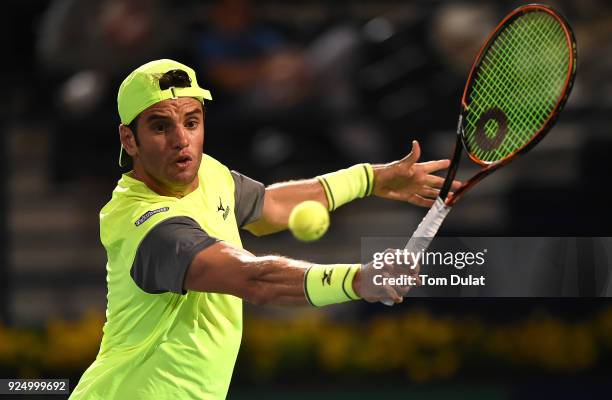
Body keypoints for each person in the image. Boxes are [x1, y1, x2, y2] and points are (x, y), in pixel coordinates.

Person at [69, 59, 460, 399]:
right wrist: (357, 280)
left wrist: (370, 179)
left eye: (192, 122)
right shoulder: (142, 222)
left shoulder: (209, 174)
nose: (180, 140)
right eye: (160, 127)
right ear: (129, 140)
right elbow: (252, 278)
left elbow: (271, 206)